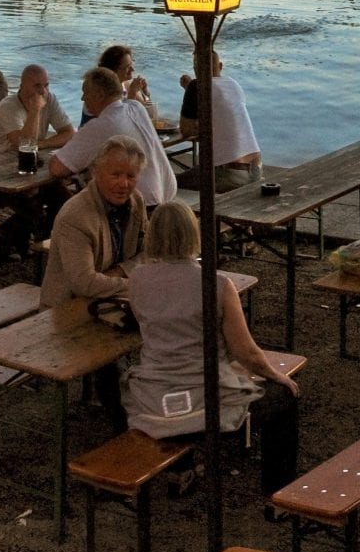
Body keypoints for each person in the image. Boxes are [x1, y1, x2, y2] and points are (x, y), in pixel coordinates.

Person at [121, 200, 303, 492]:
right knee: (283, 397)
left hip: (156, 397)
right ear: (194, 235)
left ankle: (183, 467)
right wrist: (277, 376)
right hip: (206, 398)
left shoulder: (137, 281)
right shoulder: (216, 284)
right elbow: (247, 353)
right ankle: (279, 491)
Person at [42, 136, 152, 307]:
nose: (124, 184)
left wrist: (120, 270)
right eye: (115, 175)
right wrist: (138, 285)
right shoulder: (75, 216)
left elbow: (150, 253)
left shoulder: (136, 200)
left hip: (114, 299)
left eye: (131, 176)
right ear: (96, 173)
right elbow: (84, 283)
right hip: (68, 308)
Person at [51, 66, 177, 206]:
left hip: (140, 206)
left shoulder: (100, 125)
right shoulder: (136, 107)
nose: (82, 98)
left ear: (99, 94)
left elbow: (57, 168)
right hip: (167, 196)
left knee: (58, 195)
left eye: (85, 92)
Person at [179, 50, 261, 192]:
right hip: (256, 170)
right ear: (220, 66)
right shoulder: (234, 85)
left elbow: (186, 131)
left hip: (229, 174)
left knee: (170, 183)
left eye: (196, 67)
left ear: (196, 68)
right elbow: (221, 114)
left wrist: (189, 90)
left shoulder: (196, 86)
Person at [0, 64, 76, 157]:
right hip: (1, 163)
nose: (43, 91)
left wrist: (42, 144)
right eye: (37, 86)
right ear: (22, 86)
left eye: (46, 85)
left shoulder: (49, 98)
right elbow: (24, 145)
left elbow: (69, 133)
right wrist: (35, 110)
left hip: (32, 157)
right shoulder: (7, 107)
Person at [94, 43, 156, 121]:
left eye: (131, 65)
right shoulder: (102, 92)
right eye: (127, 67)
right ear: (113, 70)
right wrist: (132, 94)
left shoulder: (126, 85)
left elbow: (151, 116)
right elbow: (122, 122)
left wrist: (146, 93)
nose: (132, 69)